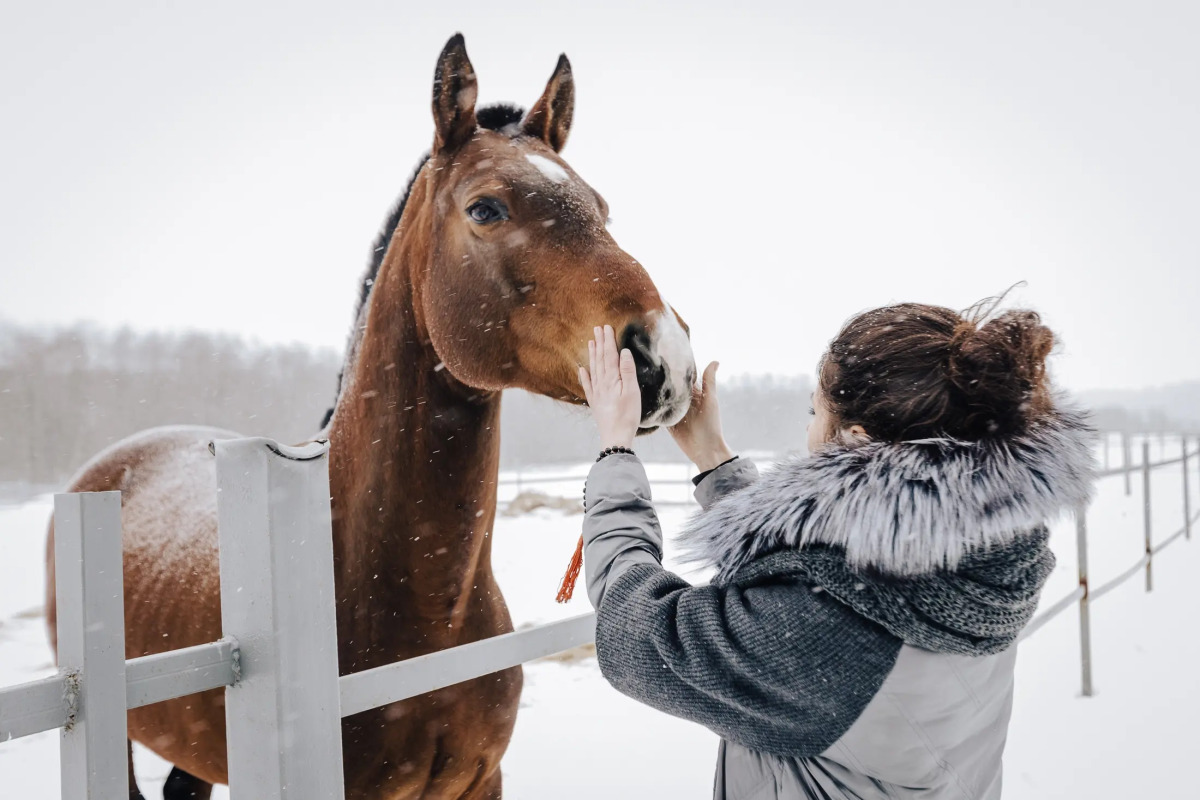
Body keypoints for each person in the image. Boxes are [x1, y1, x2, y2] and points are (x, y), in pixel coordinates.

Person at [575, 299, 1097, 799]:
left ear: (854, 439)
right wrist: (713, 457)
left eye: (813, 410)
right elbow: (823, 558)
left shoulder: (825, 632)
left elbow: (637, 629)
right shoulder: (983, 556)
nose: (807, 429)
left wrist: (615, 448)